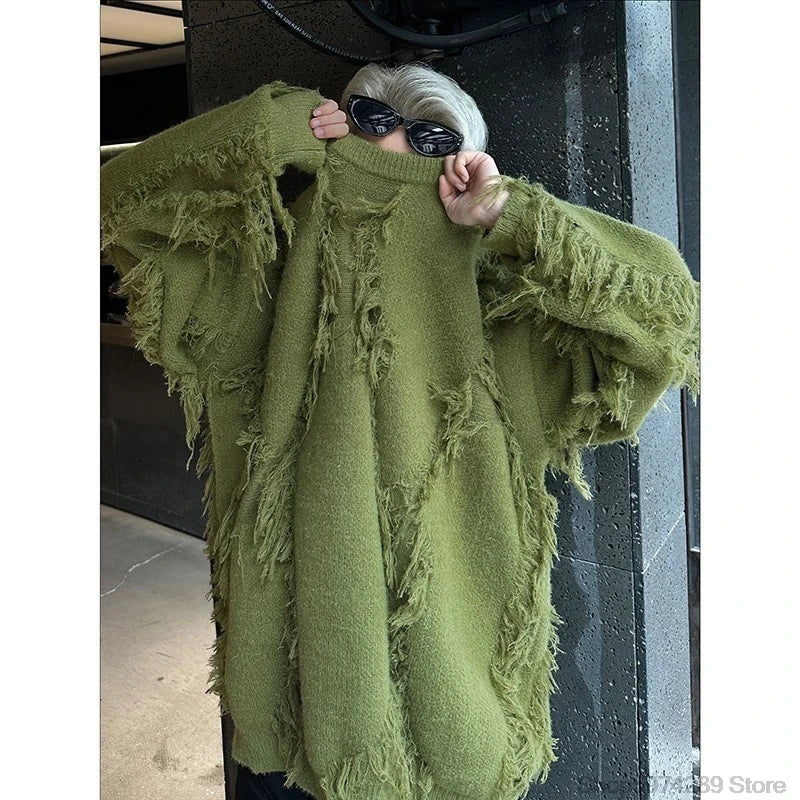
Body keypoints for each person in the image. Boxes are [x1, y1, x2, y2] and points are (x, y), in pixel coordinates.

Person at [100, 62, 699, 800]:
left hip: (457, 702)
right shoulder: (261, 283)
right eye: (363, 131)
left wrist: (511, 216)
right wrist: (273, 127)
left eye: (427, 144)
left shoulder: (503, 305)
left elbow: (667, 312)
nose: (381, 178)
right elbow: (118, 205)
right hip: (297, 702)